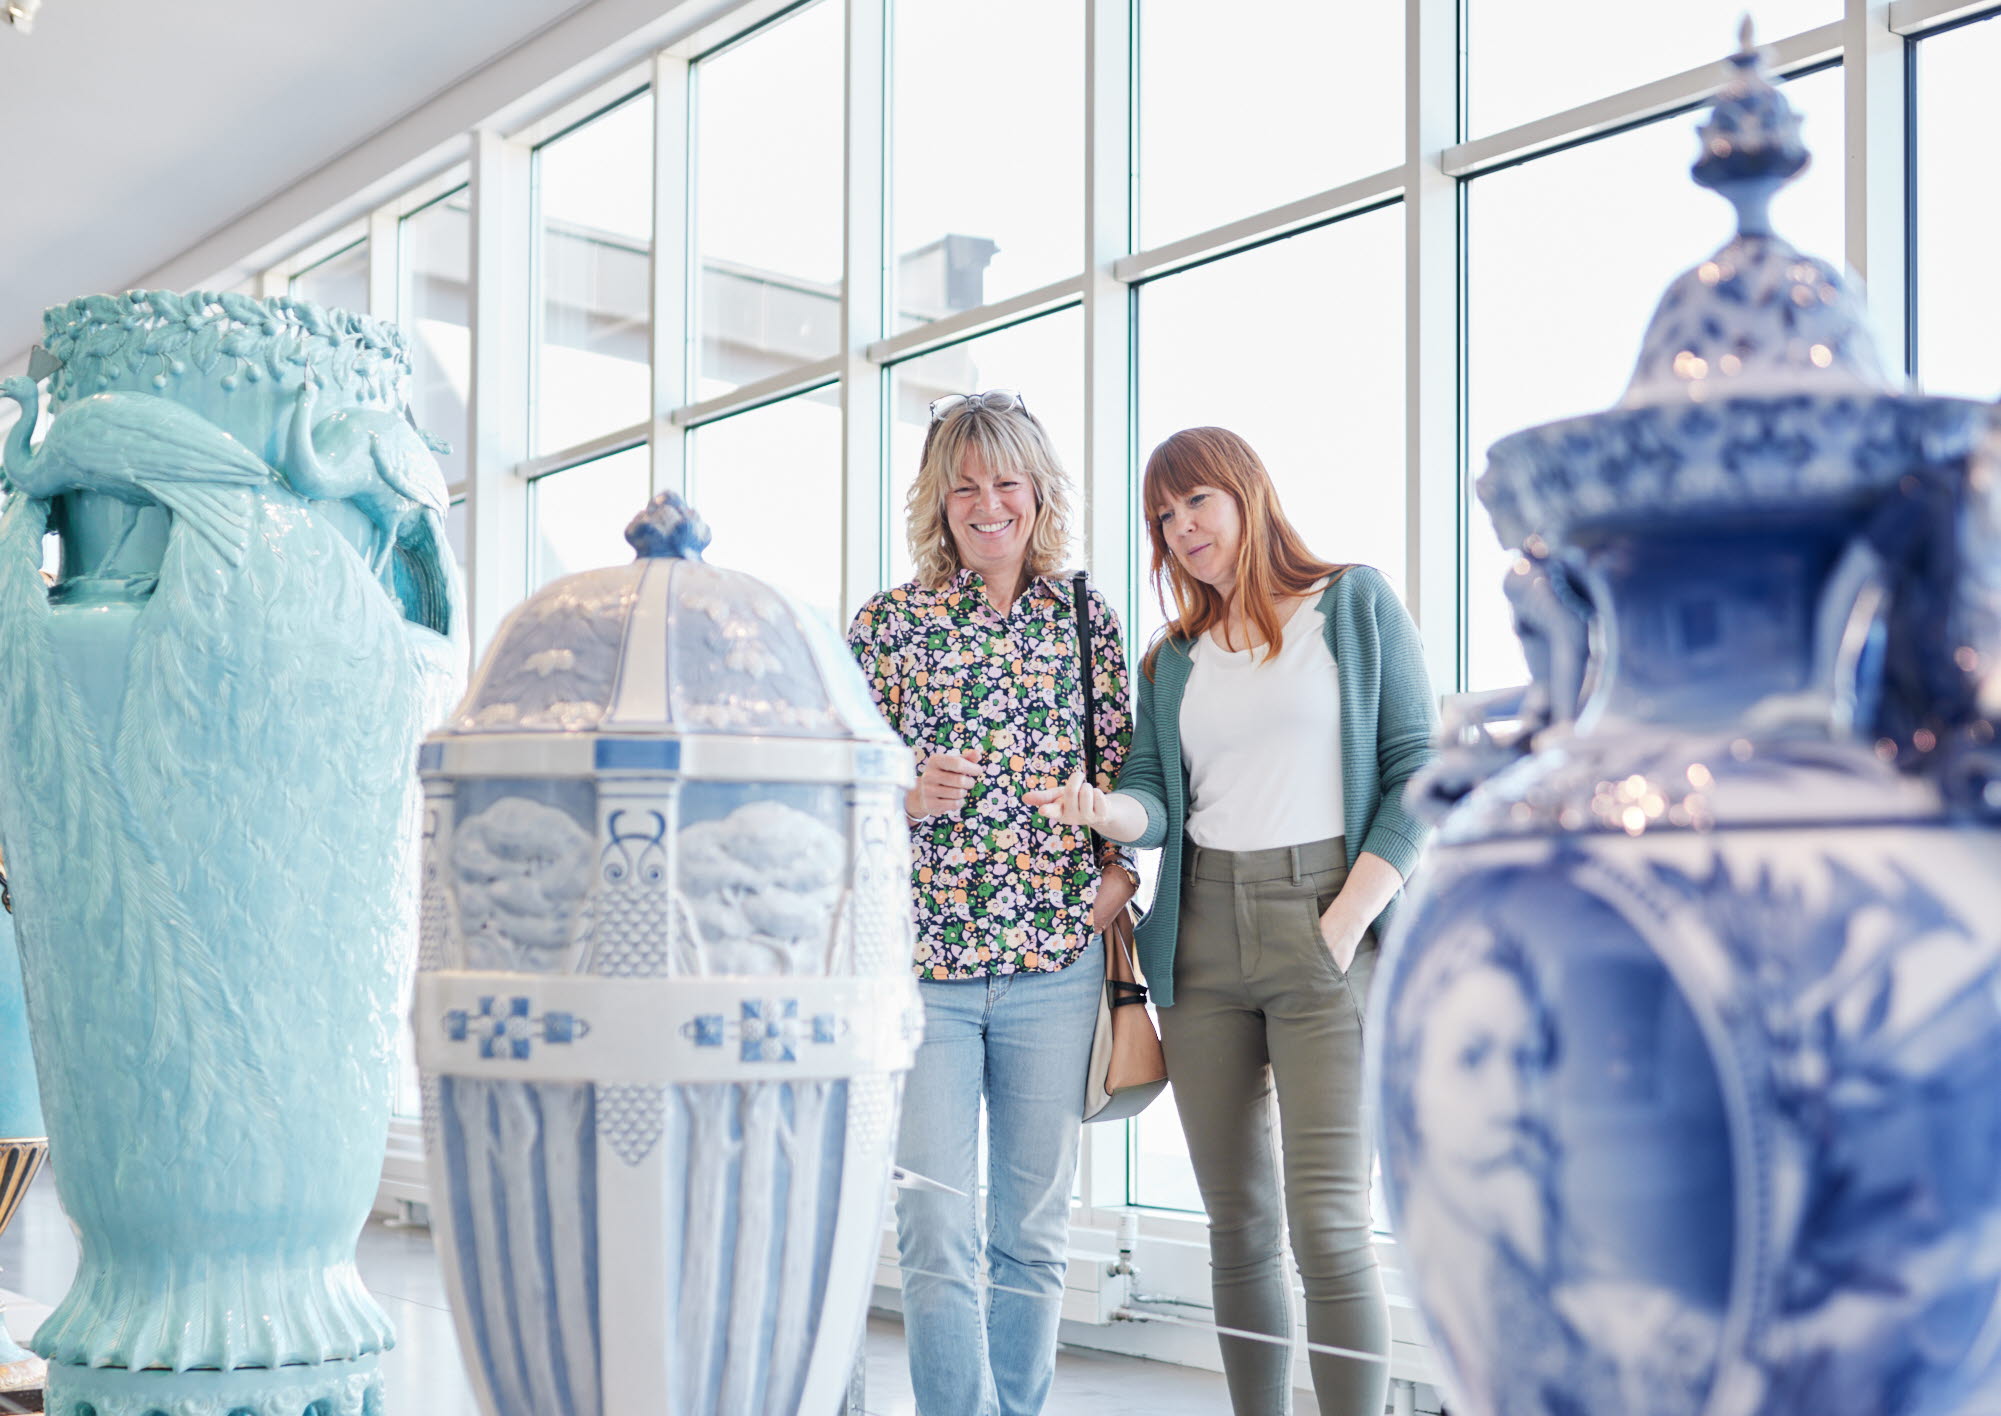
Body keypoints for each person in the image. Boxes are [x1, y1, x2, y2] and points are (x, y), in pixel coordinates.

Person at [1028, 426, 1436, 1416]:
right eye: (1163, 518)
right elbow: (1154, 795)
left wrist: (1345, 922)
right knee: (1238, 1223)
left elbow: (1419, 771)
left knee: (1330, 1224)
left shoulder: (1352, 604)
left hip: (1325, 930)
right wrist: (1103, 811)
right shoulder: (1171, 658)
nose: (1181, 530)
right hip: (1201, 939)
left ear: (1247, 494)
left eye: (1195, 503)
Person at [846, 389, 1137, 1416]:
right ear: (937, 499)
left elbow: (1129, 781)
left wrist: (1120, 877)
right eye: (963, 485)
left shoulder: (1084, 621)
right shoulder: (884, 628)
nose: (986, 504)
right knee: (935, 1225)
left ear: (1037, 493)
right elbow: (838, 797)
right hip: (925, 971)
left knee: (1032, 1227)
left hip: (1053, 967)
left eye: (1005, 482)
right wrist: (904, 796)